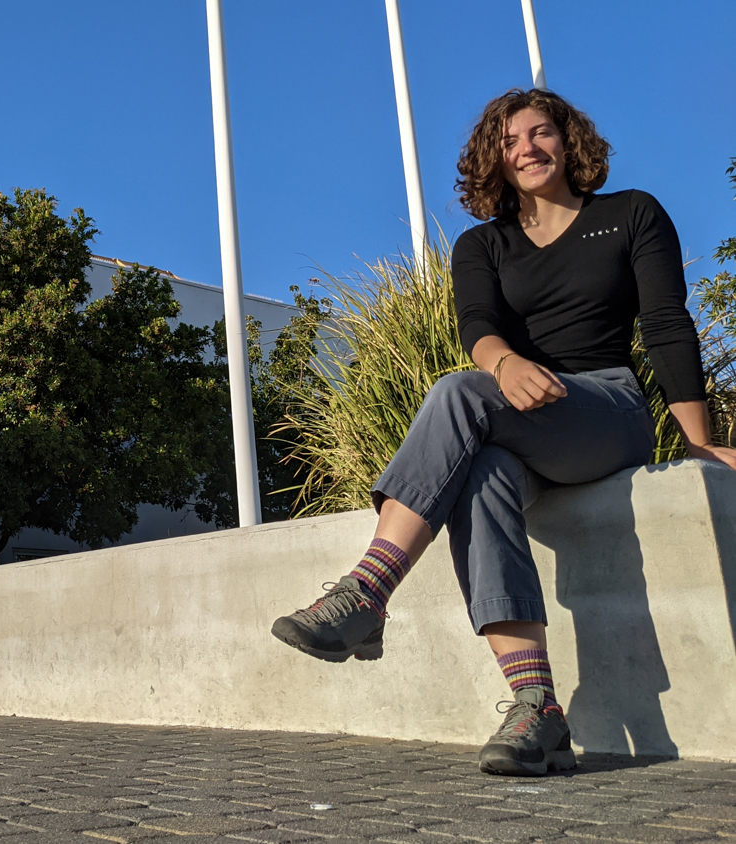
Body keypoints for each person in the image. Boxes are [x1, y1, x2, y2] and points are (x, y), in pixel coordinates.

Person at [269, 88, 736, 776]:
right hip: (517, 421)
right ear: (494, 161)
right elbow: (477, 327)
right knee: (481, 475)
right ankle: (537, 708)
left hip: (605, 411)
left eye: (541, 132)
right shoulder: (483, 243)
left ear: (569, 140)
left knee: (458, 391)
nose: (527, 148)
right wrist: (506, 362)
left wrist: (696, 440)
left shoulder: (630, 215)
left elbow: (667, 324)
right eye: (510, 141)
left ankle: (368, 592)